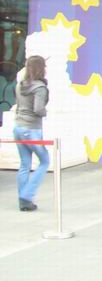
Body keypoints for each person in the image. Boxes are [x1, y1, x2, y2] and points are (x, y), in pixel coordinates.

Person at [13, 55, 50, 212]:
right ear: (41, 69)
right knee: (45, 161)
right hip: (32, 129)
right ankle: (27, 196)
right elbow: (38, 109)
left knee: (25, 164)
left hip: (18, 127)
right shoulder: (40, 88)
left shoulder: (20, 85)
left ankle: (23, 200)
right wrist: (45, 112)